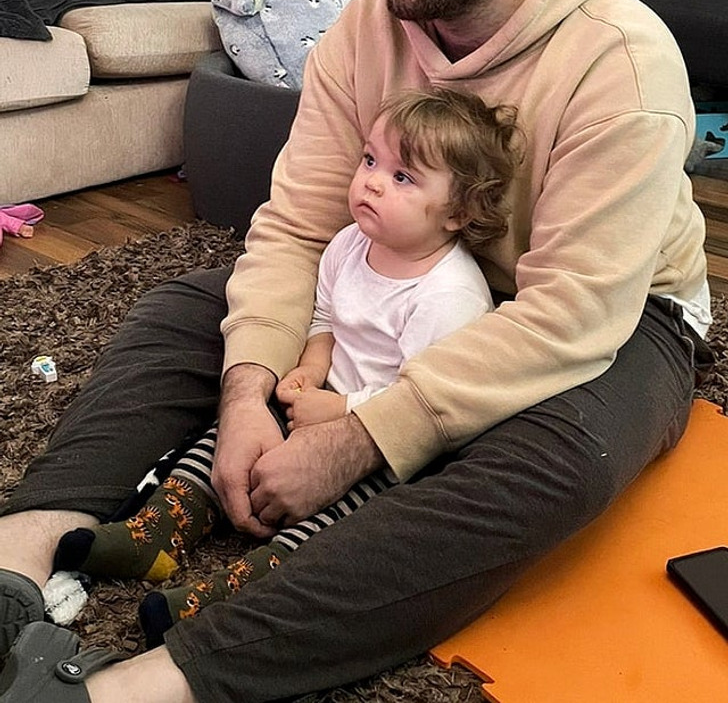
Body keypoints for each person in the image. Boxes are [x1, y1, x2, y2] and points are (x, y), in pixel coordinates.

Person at [0, 0, 712, 703]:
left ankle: (139, 686)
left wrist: (364, 437)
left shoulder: (622, 62)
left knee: (566, 458)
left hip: (617, 311)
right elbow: (297, 228)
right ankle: (18, 560)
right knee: (189, 307)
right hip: (400, 268)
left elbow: (573, 315)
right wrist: (248, 394)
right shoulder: (362, 31)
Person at [51, 87, 521, 647]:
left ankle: (239, 590)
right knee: (225, 434)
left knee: (350, 514)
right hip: (324, 397)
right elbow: (325, 316)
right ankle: (159, 530)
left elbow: (424, 397)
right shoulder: (350, 244)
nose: (371, 182)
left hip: (384, 432)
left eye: (403, 177)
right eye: (370, 160)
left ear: (459, 212)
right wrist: (310, 368)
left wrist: (341, 411)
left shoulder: (449, 295)